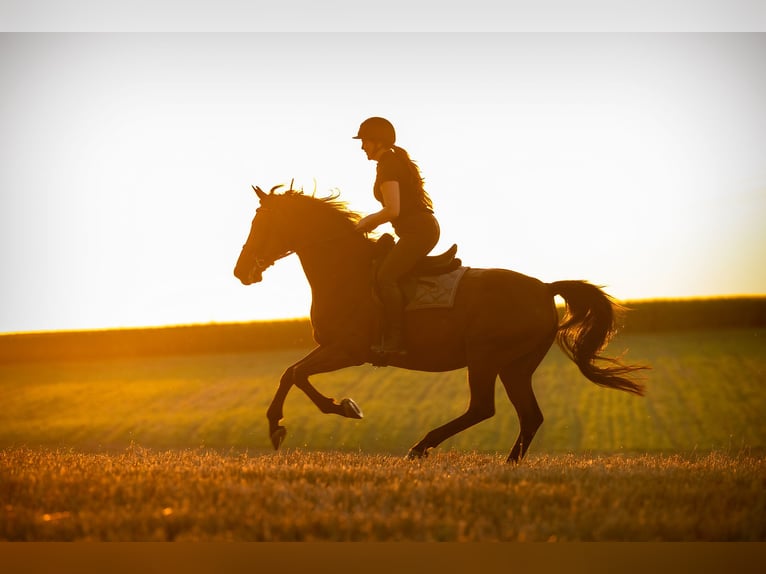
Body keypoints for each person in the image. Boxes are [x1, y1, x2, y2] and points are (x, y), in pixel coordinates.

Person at [353, 116, 440, 355]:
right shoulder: (390, 162)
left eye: (365, 141)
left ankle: (396, 340)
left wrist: (363, 224)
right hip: (417, 230)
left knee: (385, 277)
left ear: (378, 142)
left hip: (418, 232)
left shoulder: (388, 165)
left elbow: (393, 210)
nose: (362, 147)